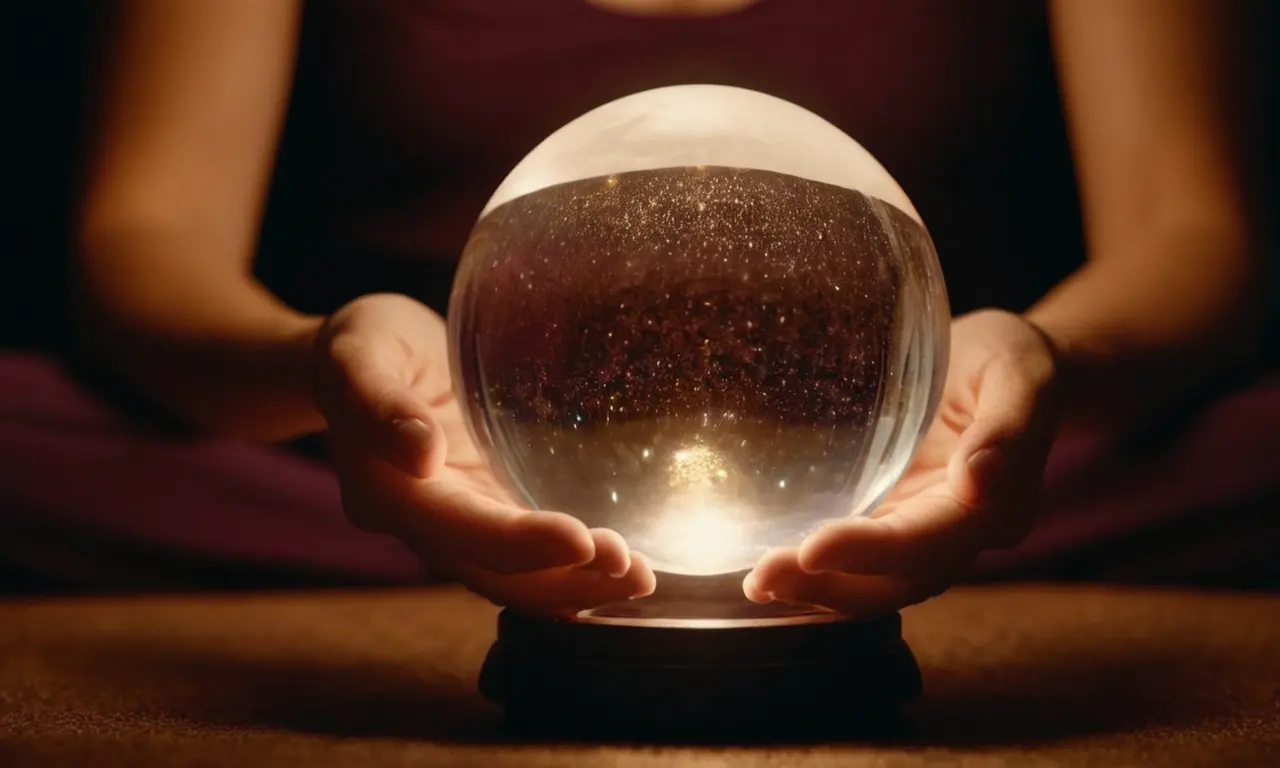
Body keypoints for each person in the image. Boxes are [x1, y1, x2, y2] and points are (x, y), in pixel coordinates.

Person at [1, 0, 1272, 611]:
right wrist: (320, 369)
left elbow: (1189, 232)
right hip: (406, 465)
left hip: (952, 462)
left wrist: (1038, 364)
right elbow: (142, 242)